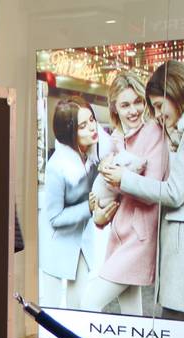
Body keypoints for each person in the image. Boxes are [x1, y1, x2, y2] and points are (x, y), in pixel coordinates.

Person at [100, 60, 184, 320]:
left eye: (159, 105)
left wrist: (124, 179)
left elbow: (174, 191)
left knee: (175, 332)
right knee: (177, 331)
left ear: (174, 92)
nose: (157, 114)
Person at [81, 72, 168, 315]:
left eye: (138, 101)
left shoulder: (155, 133)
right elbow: (108, 194)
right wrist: (99, 217)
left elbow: (152, 191)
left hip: (139, 239)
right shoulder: (116, 140)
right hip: (119, 235)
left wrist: (119, 178)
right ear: (115, 109)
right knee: (132, 316)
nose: (133, 110)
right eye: (125, 104)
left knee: (89, 302)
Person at [39, 96, 117, 309]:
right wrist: (89, 207)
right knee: (52, 311)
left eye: (92, 120)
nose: (92, 127)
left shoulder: (93, 154)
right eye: (83, 125)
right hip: (57, 244)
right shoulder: (58, 166)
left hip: (81, 242)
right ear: (69, 132)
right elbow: (54, 217)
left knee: (79, 306)